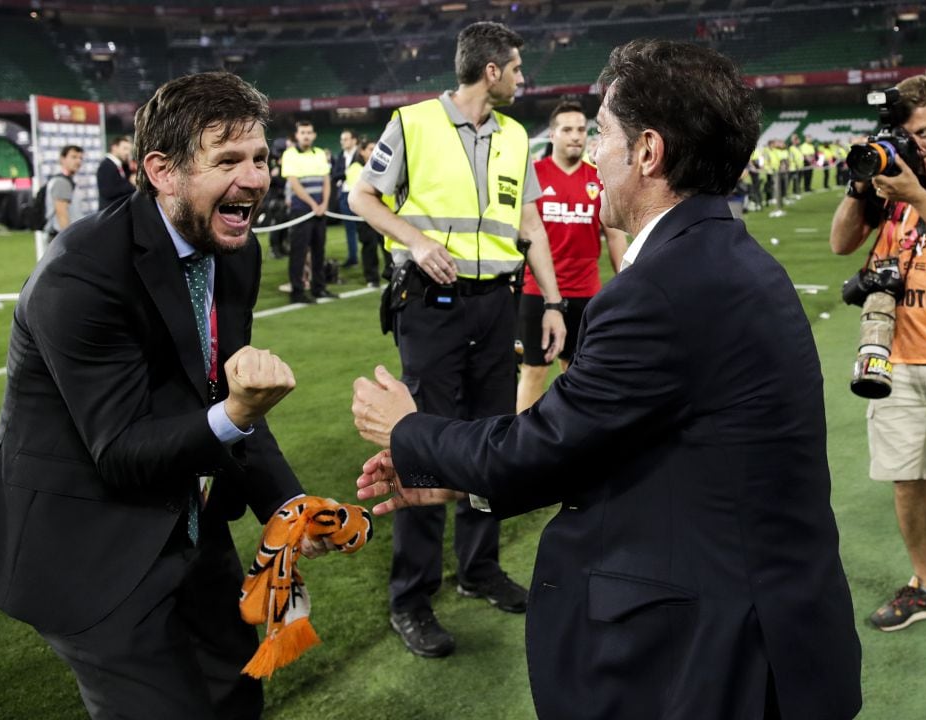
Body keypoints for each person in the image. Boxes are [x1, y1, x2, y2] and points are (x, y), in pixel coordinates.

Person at [352, 39, 862, 719]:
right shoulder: (727, 259)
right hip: (762, 624)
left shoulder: (661, 289)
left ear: (648, 153)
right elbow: (618, 443)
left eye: (602, 133)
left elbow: (543, 445)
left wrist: (409, 432)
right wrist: (459, 481)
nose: (592, 151)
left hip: (715, 656)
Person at [0, 71, 331, 719]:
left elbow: (224, 391)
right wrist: (236, 412)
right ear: (161, 171)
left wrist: (288, 504)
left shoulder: (235, 251)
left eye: (260, 158)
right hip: (88, 543)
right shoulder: (81, 274)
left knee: (235, 697)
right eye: (227, 160)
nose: (255, 179)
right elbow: (121, 450)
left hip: (187, 523)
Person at [349, 20, 566, 660]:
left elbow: (528, 220)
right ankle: (411, 598)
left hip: (497, 304)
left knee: (489, 436)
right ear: (492, 70)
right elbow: (363, 197)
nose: (525, 78)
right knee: (422, 441)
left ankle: (478, 570)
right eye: (518, 67)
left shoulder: (518, 135)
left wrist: (551, 300)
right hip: (430, 307)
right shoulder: (412, 123)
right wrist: (416, 241)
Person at [829, 72, 926, 636]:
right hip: (894, 355)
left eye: (924, 132)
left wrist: (916, 195)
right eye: (906, 133)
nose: (915, 144)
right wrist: (858, 184)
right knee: (906, 478)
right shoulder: (888, 175)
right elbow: (842, 243)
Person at [516, 99, 628, 412]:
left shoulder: (598, 180)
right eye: (567, 130)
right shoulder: (532, 177)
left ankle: (575, 446)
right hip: (536, 293)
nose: (576, 136)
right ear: (552, 135)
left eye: (581, 129)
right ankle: (518, 450)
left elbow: (616, 239)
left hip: (586, 295)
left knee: (580, 374)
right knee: (534, 371)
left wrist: (629, 284)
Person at [281, 119, 334, 304]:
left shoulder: (319, 153)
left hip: (320, 211)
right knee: (299, 252)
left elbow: (326, 180)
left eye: (309, 132)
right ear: (297, 135)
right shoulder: (289, 154)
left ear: (314, 135)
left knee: (319, 251)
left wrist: (325, 203)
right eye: (302, 132)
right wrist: (313, 204)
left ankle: (319, 288)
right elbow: (294, 183)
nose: (306, 136)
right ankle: (297, 292)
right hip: (302, 211)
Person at [346, 138, 383, 286]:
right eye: (370, 149)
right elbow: (361, 194)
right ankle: (372, 278)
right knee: (370, 246)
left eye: (376, 149)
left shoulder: (382, 166)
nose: (374, 152)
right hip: (364, 216)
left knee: (387, 246)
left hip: (382, 214)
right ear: (362, 151)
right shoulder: (355, 168)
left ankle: (391, 274)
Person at [333, 128, 363, 268]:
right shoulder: (341, 155)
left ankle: (371, 261)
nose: (342, 142)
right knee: (349, 229)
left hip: (363, 195)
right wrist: (346, 173)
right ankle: (353, 258)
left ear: (354, 140)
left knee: (368, 230)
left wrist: (344, 174)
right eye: (341, 139)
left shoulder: (362, 154)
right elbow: (335, 175)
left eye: (345, 139)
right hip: (345, 195)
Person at [45, 145, 84, 239]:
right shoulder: (61, 182)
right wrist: (68, 239)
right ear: (62, 159)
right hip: (62, 237)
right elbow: (61, 213)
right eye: (73, 157)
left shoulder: (67, 180)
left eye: (80, 158)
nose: (78, 161)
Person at [97, 135, 135, 209]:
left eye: (129, 150)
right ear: (114, 147)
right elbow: (108, 192)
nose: (127, 153)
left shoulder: (121, 165)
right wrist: (131, 184)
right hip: (109, 214)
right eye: (125, 148)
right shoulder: (106, 165)